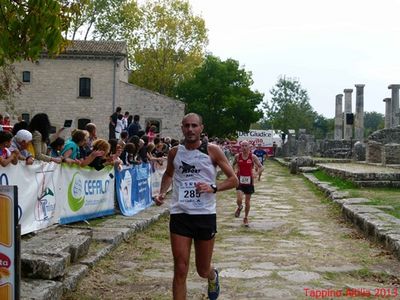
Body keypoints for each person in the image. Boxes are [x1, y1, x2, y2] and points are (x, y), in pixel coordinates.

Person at [154, 113, 238, 300]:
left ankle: (212, 275)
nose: (190, 129)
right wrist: (162, 192)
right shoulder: (175, 152)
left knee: (202, 269)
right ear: (182, 128)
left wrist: (213, 187)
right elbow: (168, 174)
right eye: (186, 126)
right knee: (181, 268)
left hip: (204, 215)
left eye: (194, 125)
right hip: (180, 214)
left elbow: (234, 180)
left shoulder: (213, 150)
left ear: (201, 128)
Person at [233, 140, 264, 227]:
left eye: (246, 146)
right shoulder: (237, 156)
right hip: (239, 180)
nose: (244, 147)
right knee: (239, 199)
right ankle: (239, 207)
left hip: (249, 181)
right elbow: (232, 165)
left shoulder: (253, 157)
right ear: (240, 147)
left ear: (249, 147)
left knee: (247, 201)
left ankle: (246, 217)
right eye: (242, 146)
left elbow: (261, 167)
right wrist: (234, 171)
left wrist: (256, 174)